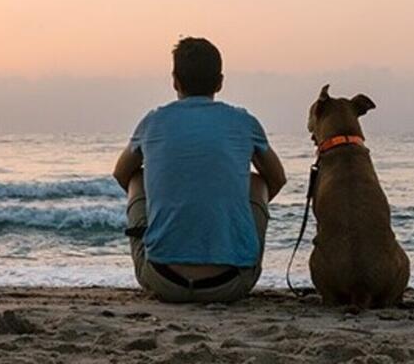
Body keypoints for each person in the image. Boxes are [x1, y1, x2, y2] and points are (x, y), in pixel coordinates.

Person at [113, 37, 286, 302]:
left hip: (163, 279)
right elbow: (277, 178)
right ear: (220, 82)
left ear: (175, 81)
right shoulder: (244, 122)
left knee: (138, 176)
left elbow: (121, 173)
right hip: (232, 283)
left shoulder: (153, 122)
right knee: (258, 182)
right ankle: (233, 245)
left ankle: (165, 241)